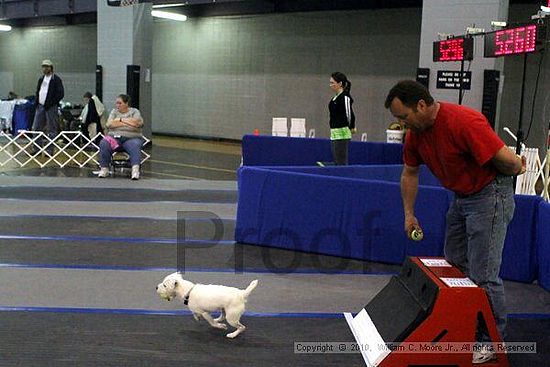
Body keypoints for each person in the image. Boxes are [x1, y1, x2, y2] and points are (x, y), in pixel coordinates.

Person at [385, 80, 526, 364]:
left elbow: (509, 162)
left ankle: (491, 342)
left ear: (421, 105)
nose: (402, 124)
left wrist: (518, 166)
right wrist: (409, 214)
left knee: (483, 274)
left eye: (404, 117)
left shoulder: (464, 121)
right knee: (455, 268)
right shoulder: (416, 135)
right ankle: (466, 330)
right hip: (461, 198)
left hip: (490, 195)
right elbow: (410, 173)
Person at [98, 94, 144, 180]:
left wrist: (120, 120)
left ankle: (135, 171)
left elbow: (136, 123)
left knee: (135, 145)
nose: (117, 105)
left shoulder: (135, 112)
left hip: (132, 138)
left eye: (120, 103)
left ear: (126, 103)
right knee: (104, 142)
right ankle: (104, 169)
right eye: (116, 103)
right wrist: (128, 123)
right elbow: (109, 124)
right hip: (114, 138)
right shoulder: (114, 112)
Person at [317, 72, 356, 166]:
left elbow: (349, 114)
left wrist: (352, 126)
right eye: (330, 83)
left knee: (341, 161)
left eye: (332, 83)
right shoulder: (335, 98)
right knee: (337, 159)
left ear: (340, 84)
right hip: (334, 132)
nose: (330, 85)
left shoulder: (345, 97)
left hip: (342, 132)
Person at [32, 59, 64, 155]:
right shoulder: (41, 79)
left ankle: (49, 151)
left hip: (51, 107)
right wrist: (37, 102)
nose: (45, 68)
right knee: (36, 128)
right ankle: (36, 149)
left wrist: (51, 103)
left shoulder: (56, 79)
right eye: (43, 67)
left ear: (51, 68)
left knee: (51, 129)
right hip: (40, 106)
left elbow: (60, 94)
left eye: (47, 66)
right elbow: (38, 91)